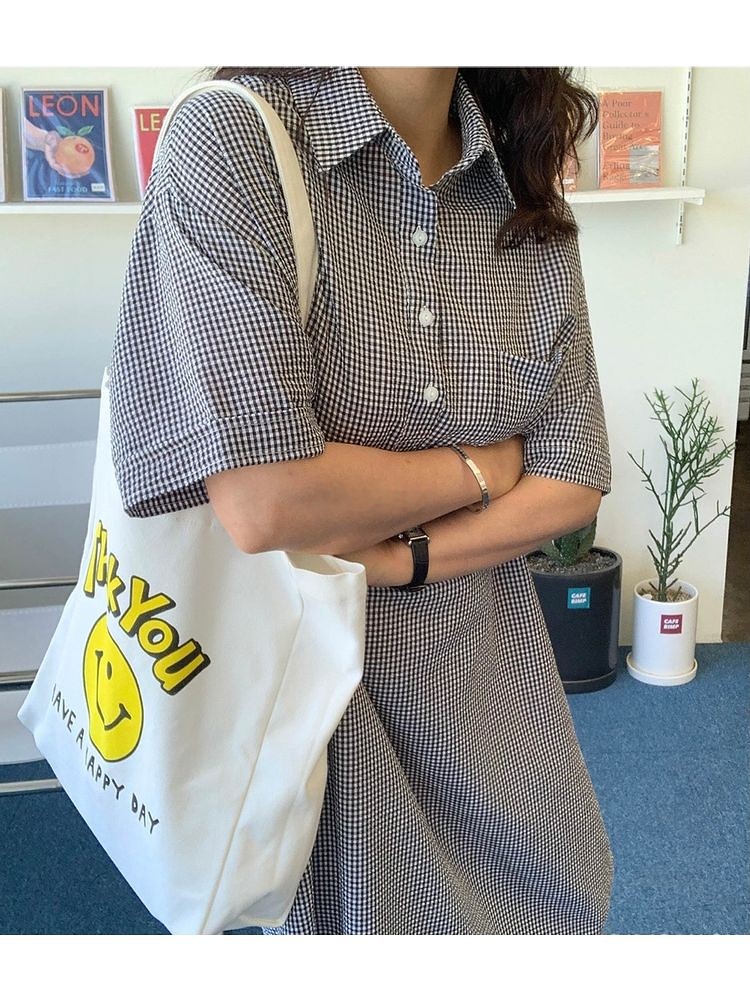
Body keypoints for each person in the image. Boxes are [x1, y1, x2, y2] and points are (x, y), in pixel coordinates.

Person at [108, 65, 614, 934]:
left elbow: (575, 478)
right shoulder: (233, 139)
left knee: (557, 909)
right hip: (299, 708)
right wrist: (483, 468)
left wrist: (401, 558)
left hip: (495, 700)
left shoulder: (520, 180)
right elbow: (269, 501)